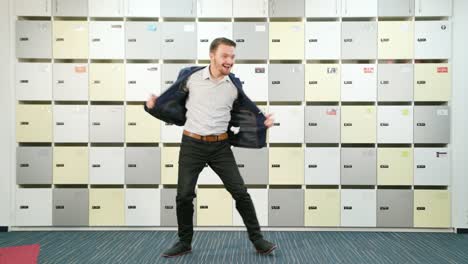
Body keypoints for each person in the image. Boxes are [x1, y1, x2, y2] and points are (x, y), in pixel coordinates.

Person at [144, 37, 277, 258]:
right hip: (192, 144)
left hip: (220, 147)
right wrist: (154, 107)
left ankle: (258, 240)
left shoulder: (233, 86)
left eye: (232, 56)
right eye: (225, 56)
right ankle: (184, 242)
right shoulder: (191, 78)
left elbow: (244, 116)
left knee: (240, 193)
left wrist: (261, 124)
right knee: (184, 196)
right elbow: (173, 108)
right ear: (212, 55)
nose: (230, 61)